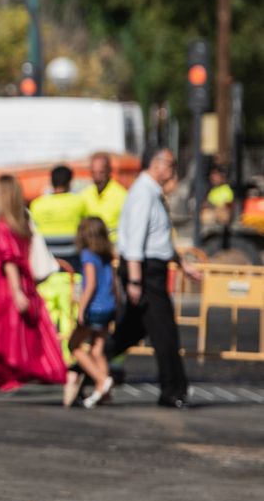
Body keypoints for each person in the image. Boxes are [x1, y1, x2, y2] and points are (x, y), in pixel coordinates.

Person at [0, 175, 67, 407]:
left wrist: (15, 290)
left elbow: (8, 260)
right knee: (22, 338)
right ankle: (62, 374)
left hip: (1, 290)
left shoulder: (2, 225)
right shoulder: (22, 223)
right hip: (20, 287)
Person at [108, 148, 201, 409]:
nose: (173, 170)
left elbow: (160, 239)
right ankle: (173, 390)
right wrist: (135, 281)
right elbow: (135, 239)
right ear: (157, 164)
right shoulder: (142, 193)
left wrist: (182, 264)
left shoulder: (152, 193)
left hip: (152, 268)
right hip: (145, 271)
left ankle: (88, 365)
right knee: (164, 332)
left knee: (132, 330)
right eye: (170, 164)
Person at [67, 217, 119, 408]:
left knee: (74, 345)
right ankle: (105, 393)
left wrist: (81, 308)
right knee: (97, 349)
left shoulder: (88, 255)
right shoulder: (107, 255)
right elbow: (113, 283)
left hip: (94, 307)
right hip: (108, 306)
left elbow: (90, 284)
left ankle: (100, 380)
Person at [30, 164, 85, 257]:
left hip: (46, 257)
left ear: (51, 182)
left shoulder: (36, 204)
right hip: (73, 255)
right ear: (70, 182)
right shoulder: (79, 202)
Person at [79, 153, 127, 241]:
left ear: (109, 171)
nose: (97, 178)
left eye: (101, 173)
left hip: (113, 245)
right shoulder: (84, 194)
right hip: (90, 245)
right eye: (94, 173)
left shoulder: (121, 195)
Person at [65, 325, 115, 410]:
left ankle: (102, 380)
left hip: (92, 314)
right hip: (107, 313)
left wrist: (82, 312)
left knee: (73, 345)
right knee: (97, 349)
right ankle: (103, 393)